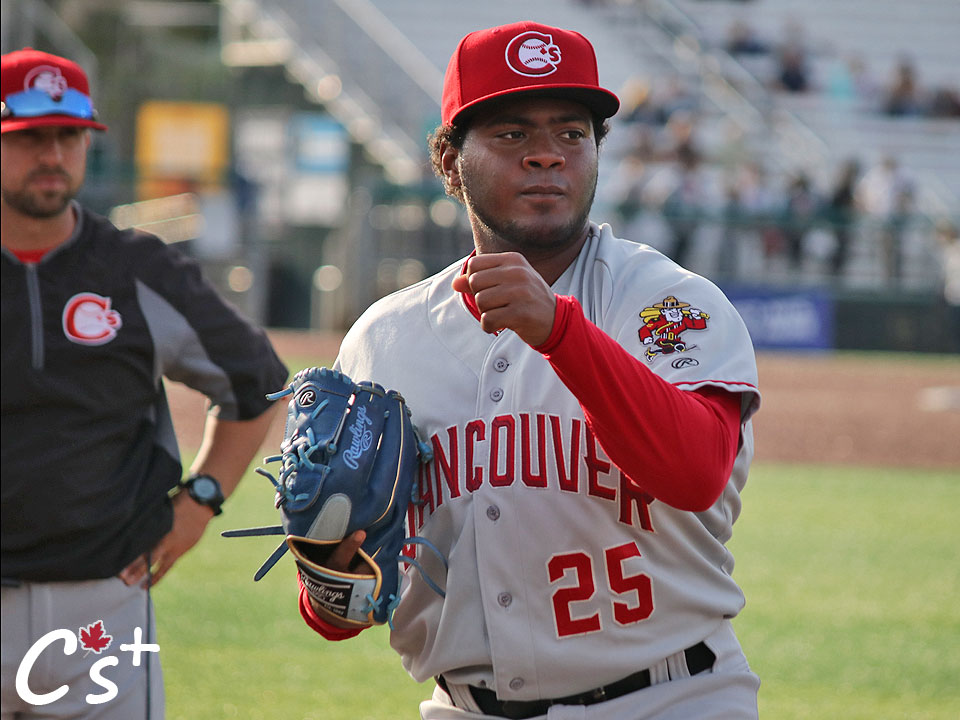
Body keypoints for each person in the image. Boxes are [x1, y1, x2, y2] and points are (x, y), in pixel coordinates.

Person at [297, 21, 761, 719]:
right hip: (463, 705)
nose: (547, 156)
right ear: (450, 163)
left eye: (571, 134)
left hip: (669, 697)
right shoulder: (384, 340)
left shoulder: (668, 304)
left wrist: (562, 334)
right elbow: (342, 612)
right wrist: (332, 578)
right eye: (512, 135)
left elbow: (695, 473)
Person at [0, 48, 288, 719]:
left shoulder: (137, 269)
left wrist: (202, 501)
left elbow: (258, 383)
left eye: (68, 135)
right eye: (28, 136)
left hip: (102, 610)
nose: (52, 154)